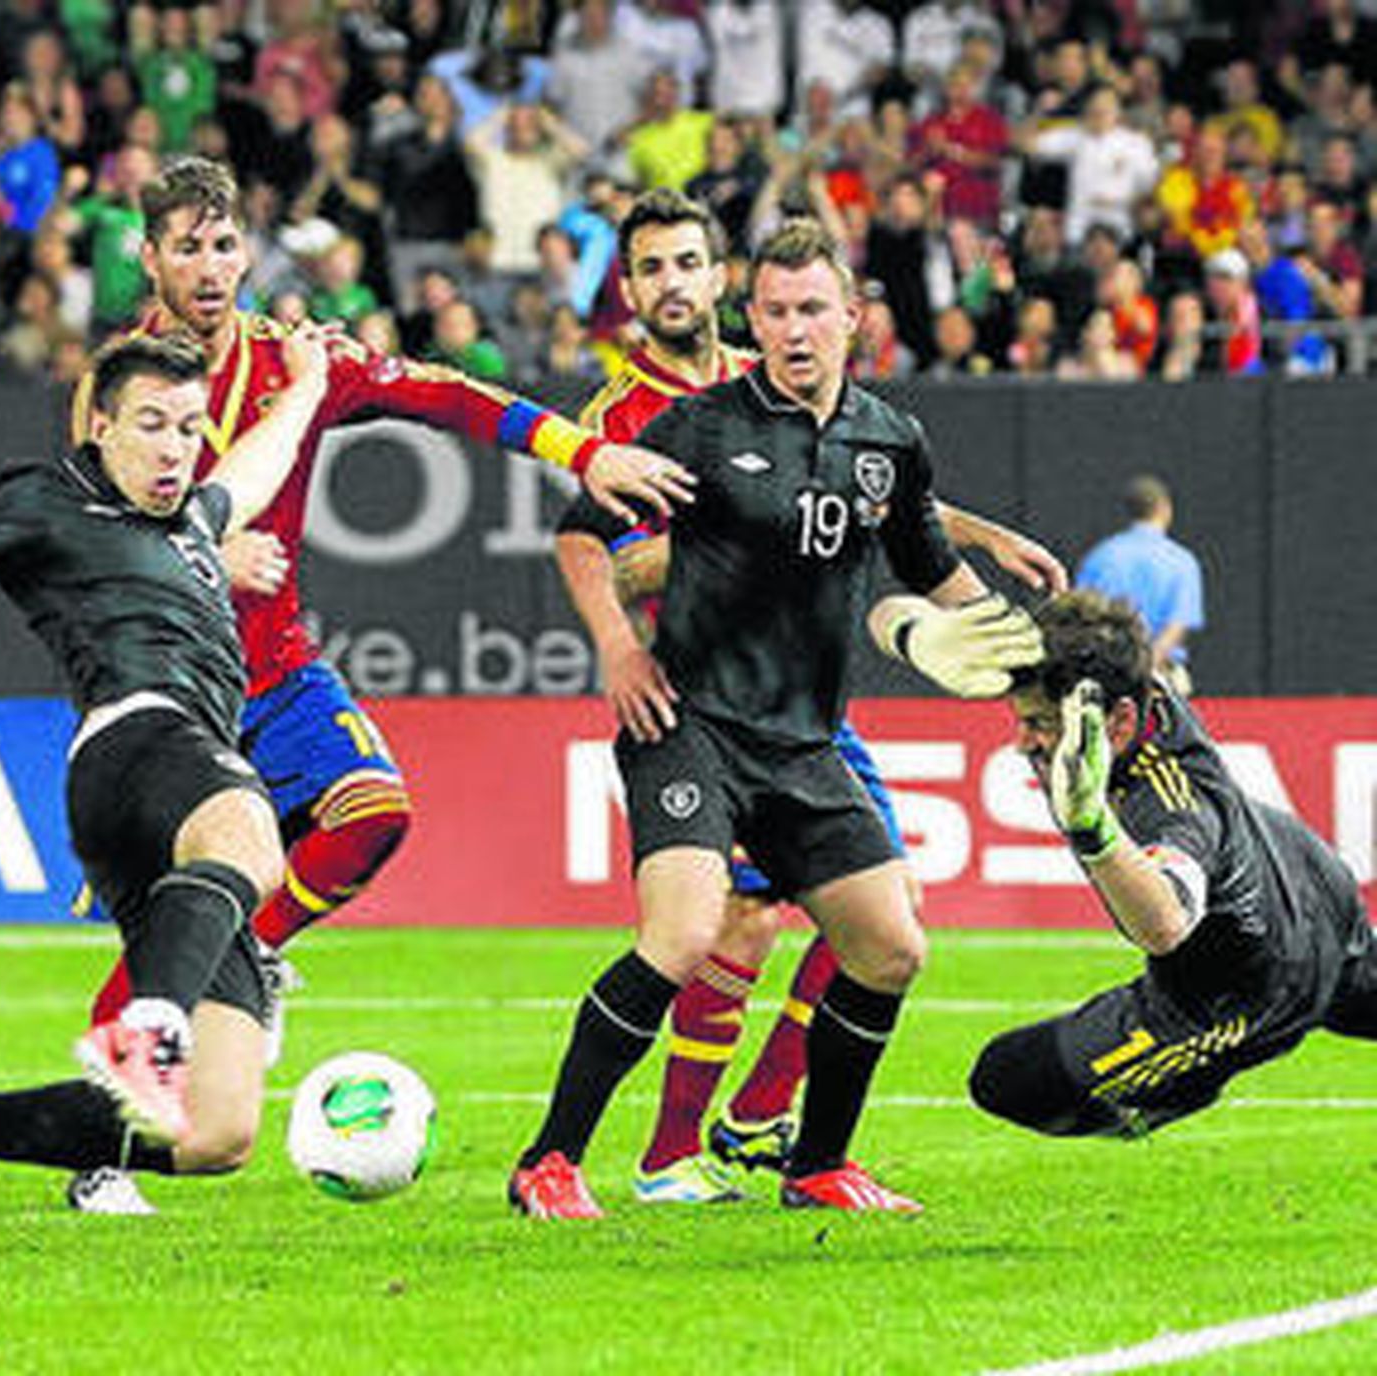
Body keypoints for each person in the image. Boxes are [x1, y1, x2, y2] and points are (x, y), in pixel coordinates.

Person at [66, 156, 691, 1214]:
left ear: (246, 248)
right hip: (171, 682)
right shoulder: (119, 387)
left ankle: (253, 948)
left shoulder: (298, 362)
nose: (210, 267)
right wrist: (204, 557)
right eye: (187, 247)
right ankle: (99, 1153)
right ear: (149, 256)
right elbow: (85, 538)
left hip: (281, 668)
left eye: (225, 244)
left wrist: (579, 448)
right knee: (160, 937)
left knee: (375, 811)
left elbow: (447, 394)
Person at [511, 217, 1044, 1218]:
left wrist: (1030, 671)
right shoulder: (702, 424)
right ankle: (548, 1160)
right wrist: (621, 649)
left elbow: (931, 567)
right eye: (776, 312)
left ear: (852, 318)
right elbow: (583, 539)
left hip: (803, 739)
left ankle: (816, 1164)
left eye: (813, 310)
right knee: (683, 928)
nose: (796, 329)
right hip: (690, 722)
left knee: (891, 943)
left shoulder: (888, 439)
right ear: (749, 319)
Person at [0, 332, 330, 1209]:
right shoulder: (48, 503)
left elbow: (260, 465)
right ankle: (148, 1025)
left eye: (190, 428)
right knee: (251, 836)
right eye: (151, 423)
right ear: (101, 425)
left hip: (168, 801)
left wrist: (308, 385)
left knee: (216, 1131)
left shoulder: (194, 520)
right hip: (137, 741)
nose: (173, 447)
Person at [965, 591, 1377, 1140]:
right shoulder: (1126, 688)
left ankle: (1163, 1097)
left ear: (1118, 722)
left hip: (1244, 992)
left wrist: (1095, 830)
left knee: (1007, 1079)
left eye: (1039, 724)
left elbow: (1164, 924)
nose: (1022, 743)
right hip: (1315, 884)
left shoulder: (1170, 804)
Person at [1076, 475, 1204, 695]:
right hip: (1163, 676)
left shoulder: (1100, 557)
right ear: (1165, 509)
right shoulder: (1182, 560)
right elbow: (1178, 624)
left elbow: (1082, 616)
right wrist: (1146, 666)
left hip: (1109, 675)